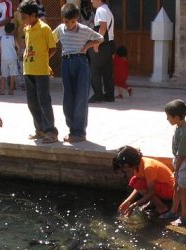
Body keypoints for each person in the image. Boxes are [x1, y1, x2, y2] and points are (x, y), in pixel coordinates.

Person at [52, 3, 104, 143]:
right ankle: (72, 130)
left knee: (81, 97)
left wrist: (87, 46)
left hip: (81, 62)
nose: (70, 25)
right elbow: (50, 42)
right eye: (67, 22)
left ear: (77, 19)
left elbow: (100, 38)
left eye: (73, 21)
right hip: (66, 63)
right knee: (68, 98)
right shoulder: (60, 30)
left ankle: (79, 132)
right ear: (63, 19)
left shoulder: (84, 29)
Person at [19, 0, 59, 144]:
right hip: (28, 70)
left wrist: (44, 60)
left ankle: (51, 131)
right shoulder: (27, 28)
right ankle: (40, 129)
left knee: (44, 101)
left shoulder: (44, 28)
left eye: (24, 17)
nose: (22, 20)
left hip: (41, 71)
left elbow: (52, 47)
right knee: (32, 102)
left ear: (33, 15)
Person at [159, 100, 186, 227]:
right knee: (176, 187)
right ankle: (173, 211)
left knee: (182, 190)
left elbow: (182, 154)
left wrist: (176, 169)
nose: (167, 119)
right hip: (181, 161)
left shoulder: (183, 132)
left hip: (185, 162)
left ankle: (184, 217)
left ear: (176, 117)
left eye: (168, 117)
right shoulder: (181, 126)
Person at [113, 146, 174, 217]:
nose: (124, 170)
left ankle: (162, 208)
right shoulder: (138, 165)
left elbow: (151, 192)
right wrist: (127, 201)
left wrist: (134, 205)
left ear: (132, 162)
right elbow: (138, 187)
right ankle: (153, 202)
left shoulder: (148, 168)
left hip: (170, 190)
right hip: (161, 187)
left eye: (125, 167)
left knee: (140, 183)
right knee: (134, 180)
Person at [88, 0, 115, 103]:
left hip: (103, 46)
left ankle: (98, 95)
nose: (91, 1)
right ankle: (109, 95)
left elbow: (103, 27)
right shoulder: (106, 9)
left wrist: (96, 43)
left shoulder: (101, 10)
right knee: (107, 71)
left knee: (94, 69)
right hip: (109, 45)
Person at [0, 22, 19, 95]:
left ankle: (2, 90)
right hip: (12, 57)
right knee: (12, 75)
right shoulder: (13, 38)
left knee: (3, 75)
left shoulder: (2, 38)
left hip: (4, 58)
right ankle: (11, 90)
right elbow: (18, 47)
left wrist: (3, 54)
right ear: (13, 31)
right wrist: (17, 53)